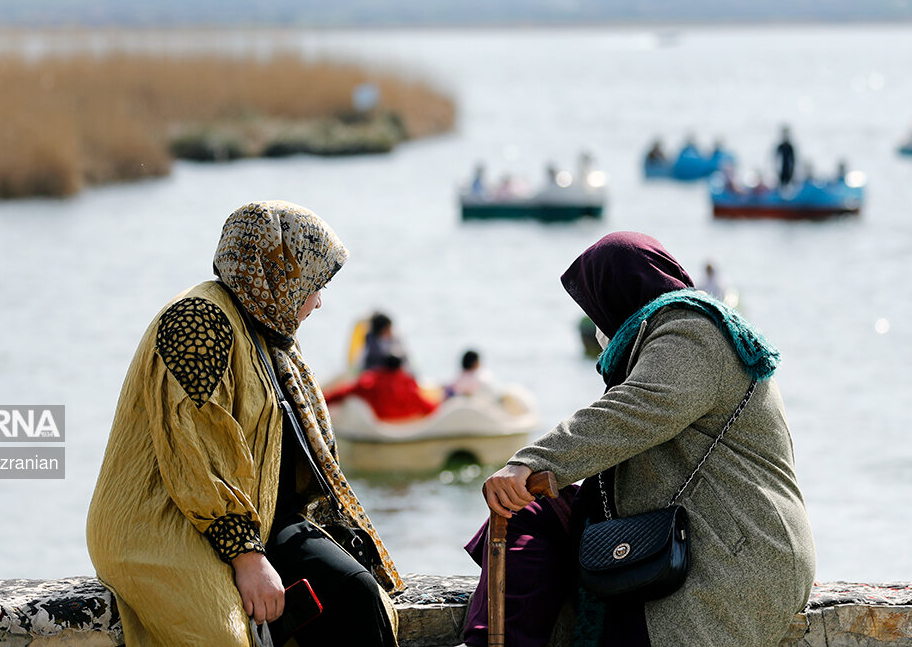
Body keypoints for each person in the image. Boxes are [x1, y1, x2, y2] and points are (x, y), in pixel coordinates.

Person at [463, 231, 815, 647]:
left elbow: (632, 412)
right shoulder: (667, 335)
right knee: (529, 511)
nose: (597, 324)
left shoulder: (692, 332)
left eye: (594, 306)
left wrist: (531, 462)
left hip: (737, 552)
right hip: (701, 533)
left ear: (615, 294)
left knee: (535, 511)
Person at [87, 201, 403, 647]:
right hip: (165, 520)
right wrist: (248, 558)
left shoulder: (262, 326)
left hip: (257, 516)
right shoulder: (198, 320)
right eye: (313, 283)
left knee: (358, 594)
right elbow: (197, 455)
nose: (318, 301)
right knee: (226, 639)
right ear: (279, 275)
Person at [324, 352, 441, 421]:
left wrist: (324, 400)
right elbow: (424, 404)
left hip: (381, 419)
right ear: (400, 367)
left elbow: (344, 392)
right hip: (405, 421)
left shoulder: (371, 381)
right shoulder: (406, 382)